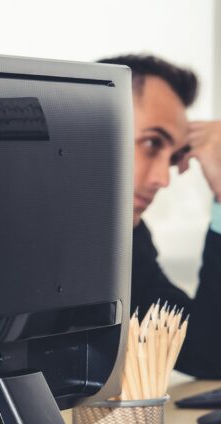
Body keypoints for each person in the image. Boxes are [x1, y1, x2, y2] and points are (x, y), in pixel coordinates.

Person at [98, 54, 221, 377]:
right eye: (153, 143)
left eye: (173, 158)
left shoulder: (127, 238)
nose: (163, 180)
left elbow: (208, 352)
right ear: (93, 122)